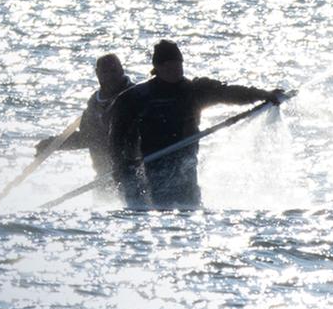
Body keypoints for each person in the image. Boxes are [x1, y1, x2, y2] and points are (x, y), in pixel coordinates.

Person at [105, 40, 285, 209]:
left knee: (187, 206)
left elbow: (231, 92)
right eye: (169, 65)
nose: (176, 69)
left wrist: (265, 95)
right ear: (157, 68)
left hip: (185, 164)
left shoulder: (196, 90)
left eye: (179, 64)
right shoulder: (135, 98)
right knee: (153, 206)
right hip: (151, 166)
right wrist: (120, 165)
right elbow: (117, 137)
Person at [35, 53, 138, 204]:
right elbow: (87, 138)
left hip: (133, 172)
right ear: (97, 74)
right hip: (104, 177)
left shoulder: (136, 97)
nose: (110, 76)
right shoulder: (94, 103)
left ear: (122, 70)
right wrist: (52, 145)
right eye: (105, 72)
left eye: (114, 71)